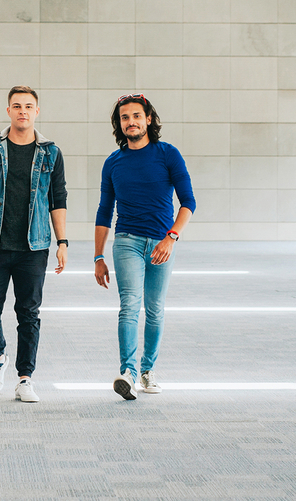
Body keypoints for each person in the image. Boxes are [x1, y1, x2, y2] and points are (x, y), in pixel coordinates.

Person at [0, 85, 68, 404]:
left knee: (28, 313)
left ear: (37, 112)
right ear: (8, 111)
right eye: (17, 106)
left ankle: (25, 378)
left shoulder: (50, 153)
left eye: (29, 106)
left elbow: (57, 198)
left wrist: (62, 241)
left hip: (34, 247)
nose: (23, 111)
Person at [93, 93, 196, 400]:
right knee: (129, 305)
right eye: (125, 117)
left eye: (136, 116)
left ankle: (148, 371)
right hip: (127, 242)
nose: (131, 122)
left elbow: (188, 201)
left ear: (148, 120)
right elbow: (103, 211)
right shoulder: (113, 162)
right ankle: (128, 372)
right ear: (119, 124)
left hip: (162, 244)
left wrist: (171, 237)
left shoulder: (168, 154)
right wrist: (98, 255)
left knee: (154, 309)